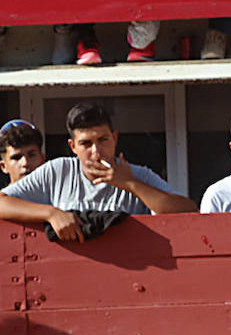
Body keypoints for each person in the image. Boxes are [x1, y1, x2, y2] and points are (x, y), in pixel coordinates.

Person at [0, 103, 195, 241]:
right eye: (86, 143)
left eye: (103, 140)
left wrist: (131, 184)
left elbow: (188, 210)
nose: (96, 151)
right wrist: (51, 213)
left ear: (115, 138)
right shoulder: (58, 171)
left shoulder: (137, 174)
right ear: (73, 146)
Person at [0, 119, 46, 186]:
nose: (25, 163)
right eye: (16, 158)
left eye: (32, 155)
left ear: (43, 159)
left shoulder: (57, 195)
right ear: (4, 166)